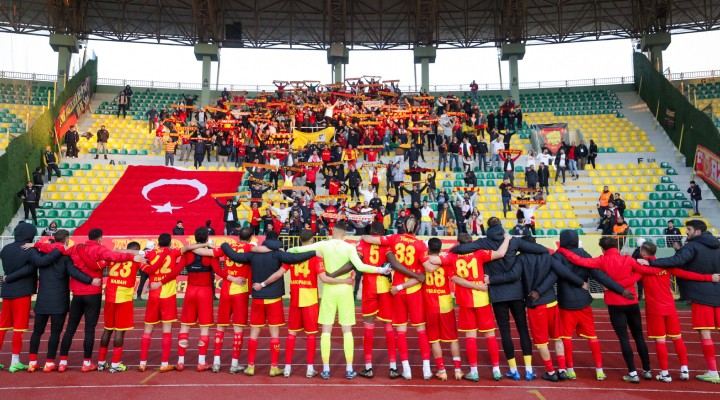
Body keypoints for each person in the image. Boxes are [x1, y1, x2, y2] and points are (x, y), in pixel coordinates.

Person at [285, 221, 391, 379]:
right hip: (345, 290)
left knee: (326, 331)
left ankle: (326, 369)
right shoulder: (349, 247)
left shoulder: (323, 245)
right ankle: (349, 369)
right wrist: (381, 269)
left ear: (333, 231)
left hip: (329, 290)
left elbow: (293, 250)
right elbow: (360, 267)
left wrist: (313, 253)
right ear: (345, 233)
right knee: (347, 331)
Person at [450, 218, 549, 381]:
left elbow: (461, 249)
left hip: (497, 294)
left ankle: (513, 370)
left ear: (488, 227)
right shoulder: (513, 241)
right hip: (516, 292)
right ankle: (529, 370)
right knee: (523, 329)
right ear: (501, 227)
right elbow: (539, 249)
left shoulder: (483, 242)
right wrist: (520, 256)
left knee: (505, 331)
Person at [487, 235, 587, 382]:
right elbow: (561, 272)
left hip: (536, 305)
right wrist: (580, 283)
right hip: (552, 301)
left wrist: (491, 279)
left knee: (541, 342)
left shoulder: (521, 259)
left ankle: (551, 372)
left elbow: (513, 275)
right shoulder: (548, 255)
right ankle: (562, 369)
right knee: (557, 338)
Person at [217, 231, 317, 377]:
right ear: (277, 241)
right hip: (274, 298)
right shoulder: (278, 254)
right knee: (274, 334)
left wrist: (224, 244)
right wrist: (314, 252)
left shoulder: (253, 254)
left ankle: (251, 366)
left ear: (264, 241)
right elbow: (295, 258)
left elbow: (234, 256)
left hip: (257, 297)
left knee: (254, 333)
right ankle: (274, 367)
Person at [256, 229, 354, 378]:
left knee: (291, 334)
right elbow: (325, 279)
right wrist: (345, 281)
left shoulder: (291, 256)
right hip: (310, 300)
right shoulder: (316, 257)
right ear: (312, 241)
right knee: (311, 335)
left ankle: (287, 368)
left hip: (295, 298)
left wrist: (262, 284)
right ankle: (309, 369)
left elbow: (278, 274)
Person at [556, 236, 652, 383]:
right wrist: (626, 284)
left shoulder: (601, 260)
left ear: (602, 248)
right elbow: (643, 271)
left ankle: (633, 373)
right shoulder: (627, 259)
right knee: (638, 336)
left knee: (624, 338)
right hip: (631, 300)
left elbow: (578, 260)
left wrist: (562, 249)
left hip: (615, 303)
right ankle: (647, 370)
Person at [638, 220, 720, 383]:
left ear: (697, 232)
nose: (686, 232)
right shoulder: (718, 246)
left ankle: (712, 371)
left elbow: (676, 261)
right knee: (678, 337)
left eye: (688, 229)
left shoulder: (692, 246)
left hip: (700, 295)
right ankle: (685, 369)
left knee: (705, 334)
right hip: (716, 292)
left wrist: (652, 262)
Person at [430, 233, 511, 381]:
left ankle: (474, 372)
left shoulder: (453, 257)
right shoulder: (479, 253)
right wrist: (507, 239)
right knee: (490, 335)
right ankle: (496, 370)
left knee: (470, 336)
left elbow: (433, 258)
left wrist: (450, 250)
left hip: (465, 301)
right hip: (482, 299)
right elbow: (501, 253)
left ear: (458, 243)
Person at [361, 216, 433, 380]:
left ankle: (406, 370)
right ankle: (426, 369)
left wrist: (363, 236)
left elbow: (372, 239)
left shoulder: (394, 239)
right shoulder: (420, 245)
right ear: (416, 228)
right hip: (414, 291)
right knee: (421, 331)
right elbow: (427, 268)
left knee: (401, 331)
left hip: (397, 291)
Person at [0, 222, 63, 371]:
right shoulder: (28, 250)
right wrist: (57, 249)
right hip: (21, 292)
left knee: (2, 326)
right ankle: (14, 361)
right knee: (18, 328)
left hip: (6, 291)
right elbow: (41, 262)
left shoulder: (5, 249)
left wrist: (8, 278)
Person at [96, 241, 159, 373]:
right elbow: (150, 270)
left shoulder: (114, 256)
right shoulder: (136, 259)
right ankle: (115, 364)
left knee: (107, 329)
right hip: (123, 298)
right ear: (137, 250)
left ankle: (101, 363)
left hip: (110, 297)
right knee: (120, 331)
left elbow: (98, 265)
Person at [138, 233, 185, 373]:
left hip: (153, 295)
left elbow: (139, 255)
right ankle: (164, 363)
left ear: (158, 243)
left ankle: (142, 363)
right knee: (167, 330)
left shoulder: (151, 253)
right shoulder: (173, 252)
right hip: (168, 295)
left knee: (148, 329)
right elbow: (186, 249)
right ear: (170, 243)